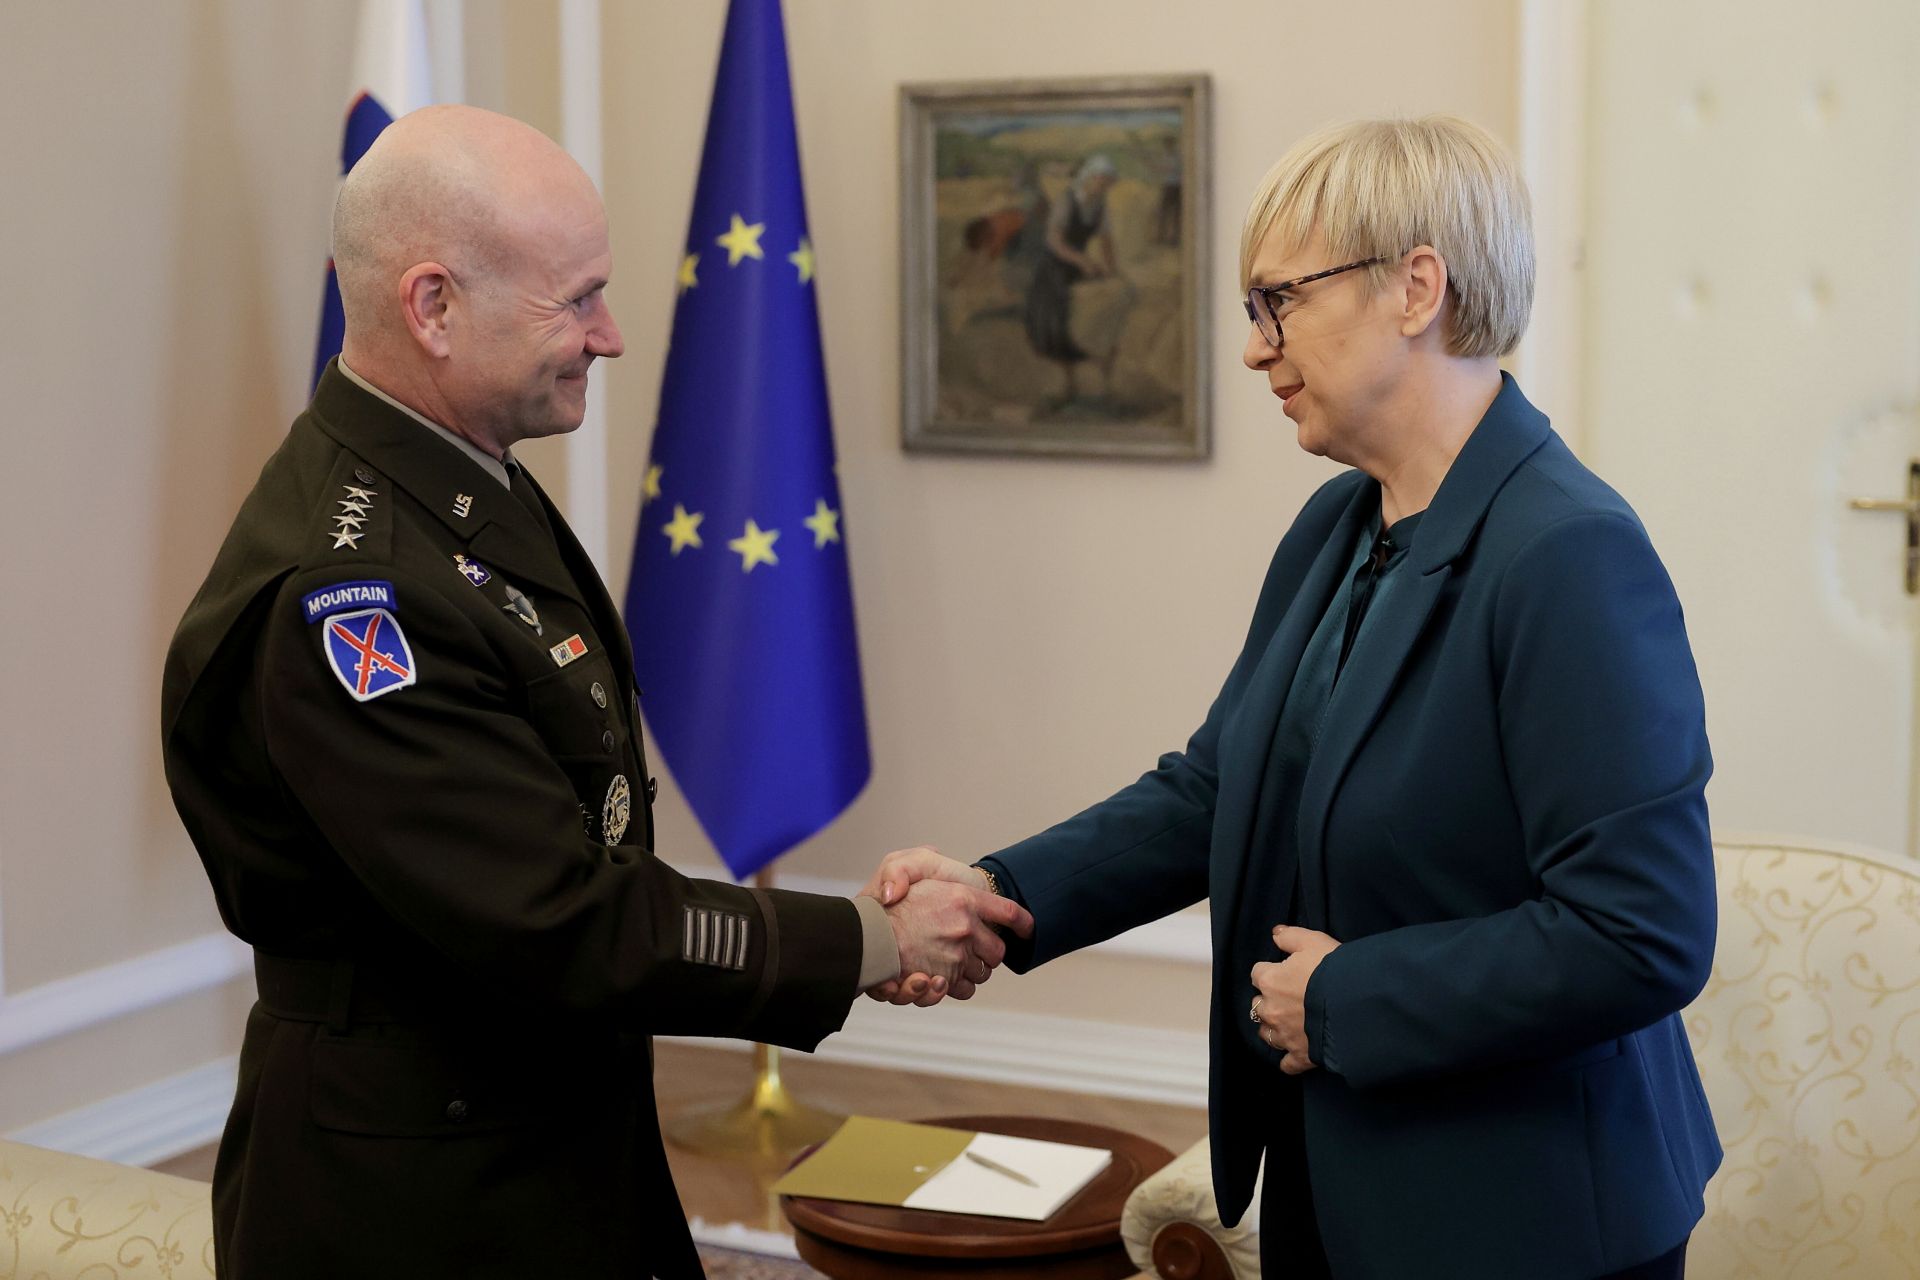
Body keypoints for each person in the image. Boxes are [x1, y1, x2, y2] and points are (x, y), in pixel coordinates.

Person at [159, 104, 1028, 1280]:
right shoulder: (355, 593)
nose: (609, 336)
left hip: (540, 1125)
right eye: (574, 301)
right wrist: (870, 937)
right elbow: (557, 915)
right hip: (418, 1198)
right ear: (433, 306)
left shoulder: (458, 483)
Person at [871, 115, 1720, 1278]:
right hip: (1341, 1170)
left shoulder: (1569, 553)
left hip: (1527, 1216)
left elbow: (1643, 930)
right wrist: (1001, 893)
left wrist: (1348, 997)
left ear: (1416, 287)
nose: (1254, 348)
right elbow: (1216, 788)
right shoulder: (1339, 523)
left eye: (1280, 301)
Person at [1024, 153, 1120, 403]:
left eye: (1107, 183)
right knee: (1058, 319)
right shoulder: (1067, 201)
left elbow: (1106, 241)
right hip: (1055, 267)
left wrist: (1112, 271)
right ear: (1089, 177)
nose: (1103, 186)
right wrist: (1081, 260)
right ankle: (1068, 381)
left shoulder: (1100, 205)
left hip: (1079, 267)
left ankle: (1103, 379)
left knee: (1101, 313)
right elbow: (1054, 241)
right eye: (1101, 180)